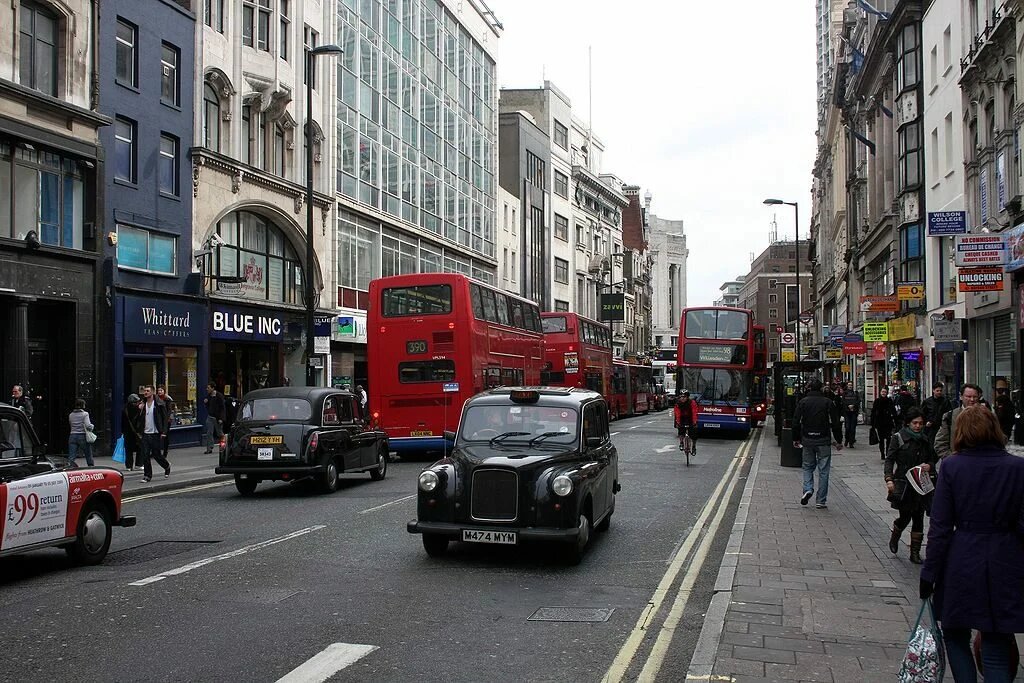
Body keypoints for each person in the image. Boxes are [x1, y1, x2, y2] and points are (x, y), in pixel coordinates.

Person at [920, 405, 1024, 683]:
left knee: (955, 633)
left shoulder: (953, 466)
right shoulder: (1017, 467)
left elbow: (940, 527)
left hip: (962, 558)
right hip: (1005, 558)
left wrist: (929, 573)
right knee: (996, 642)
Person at [883, 408, 937, 564]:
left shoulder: (925, 440)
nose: (918, 426)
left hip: (921, 484)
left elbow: (932, 459)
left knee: (919, 517)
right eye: (915, 423)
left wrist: (929, 466)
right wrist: (889, 478)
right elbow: (889, 459)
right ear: (908, 423)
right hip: (904, 483)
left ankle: (915, 553)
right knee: (905, 516)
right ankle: (896, 534)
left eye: (920, 423)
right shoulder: (899, 438)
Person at [792, 378, 843, 509]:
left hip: (807, 440)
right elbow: (836, 423)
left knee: (807, 467)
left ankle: (808, 489)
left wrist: (796, 438)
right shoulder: (828, 402)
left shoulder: (803, 402)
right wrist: (839, 440)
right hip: (823, 440)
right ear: (821, 388)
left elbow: (796, 422)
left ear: (809, 388)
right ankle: (821, 500)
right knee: (824, 471)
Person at [933, 383, 983, 461]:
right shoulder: (950, 416)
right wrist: (951, 460)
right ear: (961, 396)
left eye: (975, 397)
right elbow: (940, 443)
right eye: (968, 397)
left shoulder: (986, 417)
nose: (972, 400)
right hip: (957, 465)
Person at [140, 385, 171, 483]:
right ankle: (147, 476)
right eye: (145, 391)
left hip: (156, 433)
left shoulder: (159, 404)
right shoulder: (142, 404)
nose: (145, 392)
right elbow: (138, 419)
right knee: (145, 455)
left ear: (152, 392)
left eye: (148, 391)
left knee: (156, 454)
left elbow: (165, 419)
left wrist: (164, 432)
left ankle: (166, 465)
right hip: (145, 433)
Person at [870, 387, 898, 461]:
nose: (883, 393)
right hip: (879, 423)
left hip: (888, 422)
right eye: (882, 391)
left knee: (889, 438)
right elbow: (873, 412)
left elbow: (893, 411)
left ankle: (887, 452)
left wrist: (895, 420)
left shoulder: (889, 401)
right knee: (881, 439)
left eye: (885, 392)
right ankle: (882, 453)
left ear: (887, 393)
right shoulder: (877, 401)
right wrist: (872, 423)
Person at [67, 399, 95, 467]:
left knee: (72, 456)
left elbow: (70, 424)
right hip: (82, 436)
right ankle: (91, 468)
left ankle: (69, 468)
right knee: (88, 454)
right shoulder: (85, 414)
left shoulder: (71, 415)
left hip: (72, 436)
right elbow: (88, 426)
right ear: (83, 405)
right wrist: (92, 426)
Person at [121, 393, 143, 471]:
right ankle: (139, 464)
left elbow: (123, 422)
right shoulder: (138, 409)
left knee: (128, 450)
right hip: (137, 432)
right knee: (140, 448)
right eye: (136, 402)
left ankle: (129, 466)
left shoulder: (125, 409)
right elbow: (140, 421)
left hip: (127, 432)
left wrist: (122, 431)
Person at [202, 382, 225, 454]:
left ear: (213, 388)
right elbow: (208, 406)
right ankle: (209, 448)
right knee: (209, 433)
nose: (207, 389)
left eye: (208, 388)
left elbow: (222, 408)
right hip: (210, 416)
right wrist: (206, 402)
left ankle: (224, 446)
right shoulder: (208, 396)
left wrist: (221, 418)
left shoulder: (219, 396)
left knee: (220, 433)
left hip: (217, 417)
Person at [673, 389, 698, 454]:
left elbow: (694, 412)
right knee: (681, 430)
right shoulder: (678, 404)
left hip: (690, 417)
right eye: (681, 397)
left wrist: (694, 422)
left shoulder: (692, 403)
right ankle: (681, 443)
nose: (682, 398)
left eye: (684, 397)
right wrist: (678, 422)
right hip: (682, 418)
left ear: (687, 397)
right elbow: (677, 413)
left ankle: (694, 446)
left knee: (694, 433)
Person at [156, 386, 175, 460]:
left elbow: (169, 410)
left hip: (166, 420)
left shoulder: (167, 399)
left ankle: (165, 452)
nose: (159, 391)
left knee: (165, 437)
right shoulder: (156, 399)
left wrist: (167, 419)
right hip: (158, 420)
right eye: (158, 390)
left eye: (161, 390)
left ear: (164, 391)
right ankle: (156, 452)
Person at [842, 381, 860, 448]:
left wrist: (853, 405)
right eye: (849, 385)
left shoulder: (855, 393)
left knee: (852, 428)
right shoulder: (844, 393)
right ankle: (847, 439)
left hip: (854, 412)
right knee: (847, 428)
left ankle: (851, 442)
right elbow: (843, 402)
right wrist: (848, 406)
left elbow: (858, 401)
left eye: (851, 385)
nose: (850, 386)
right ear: (847, 386)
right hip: (847, 412)